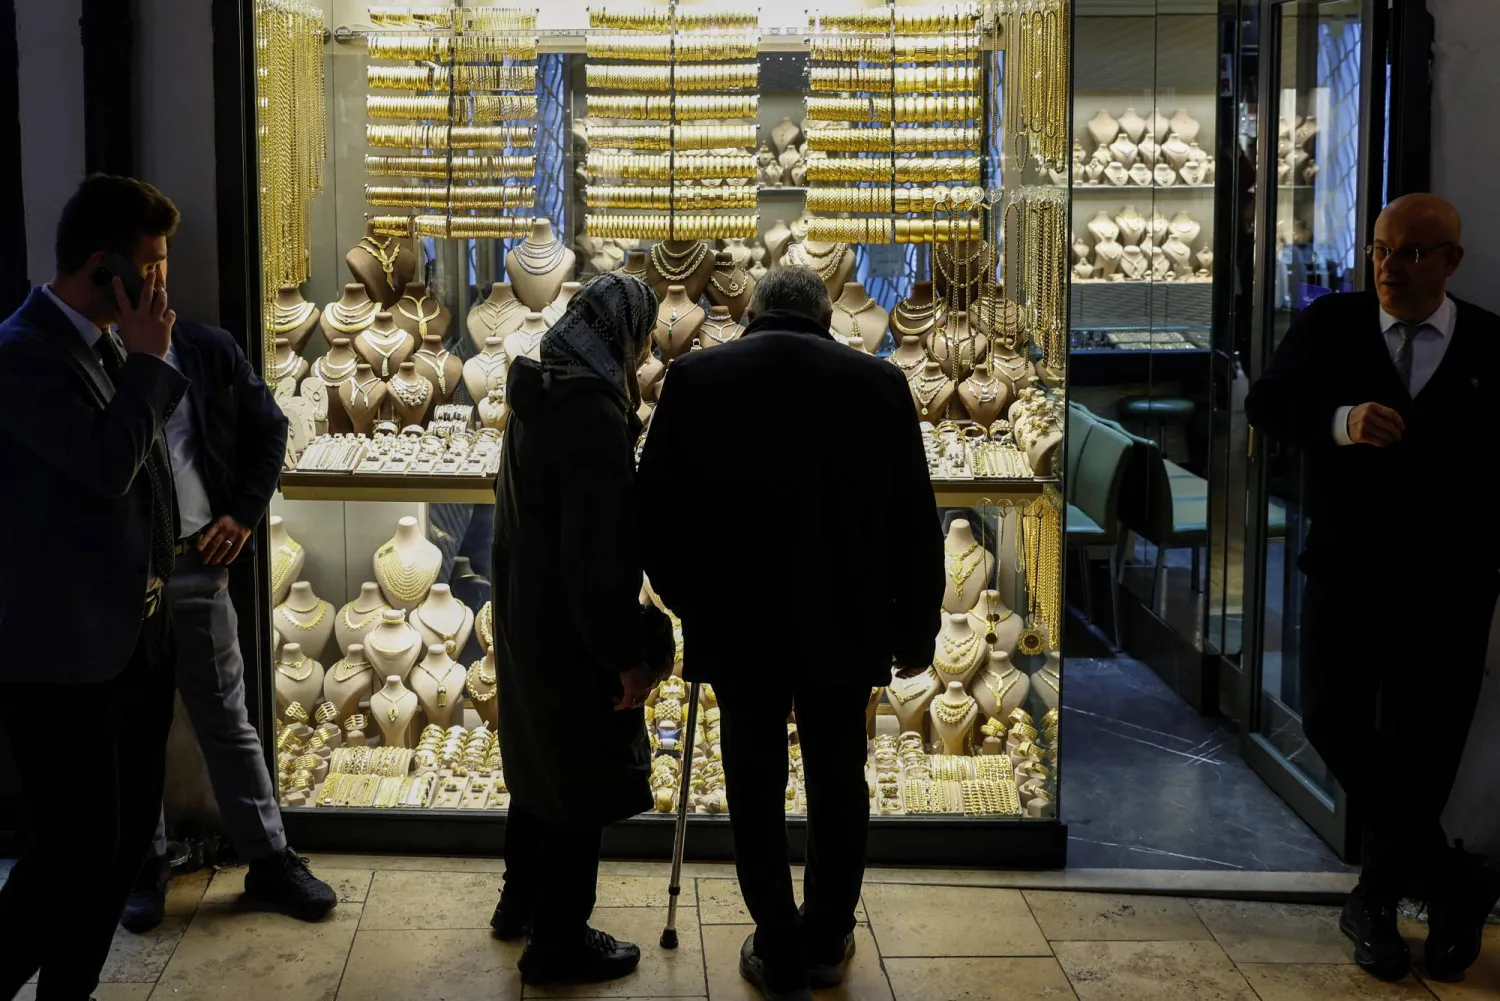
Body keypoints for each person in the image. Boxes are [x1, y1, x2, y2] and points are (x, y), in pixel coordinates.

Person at [638, 266, 944, 1001]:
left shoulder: (696, 379)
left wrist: (690, 601)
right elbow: (914, 518)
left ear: (755, 311)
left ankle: (775, 936)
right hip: (845, 617)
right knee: (839, 778)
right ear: (826, 312)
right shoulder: (876, 384)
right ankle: (828, 933)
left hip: (738, 619)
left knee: (752, 777)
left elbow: (655, 516)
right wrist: (917, 624)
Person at [1245, 193, 1500, 984]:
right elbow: (1268, 402)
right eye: (1382, 250)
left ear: (1450, 261)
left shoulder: (1491, 343)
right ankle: (1457, 882)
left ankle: (1378, 902)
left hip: (1451, 589)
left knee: (1425, 751)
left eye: (1413, 253)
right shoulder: (1334, 325)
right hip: (1349, 571)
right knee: (1332, 717)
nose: (1390, 267)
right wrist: (1343, 419)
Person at [0, 174, 187, 1000]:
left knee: (115, 851)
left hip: (134, 646)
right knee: (69, 854)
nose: (161, 283)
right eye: (151, 263)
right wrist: (148, 364)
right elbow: (109, 464)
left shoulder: (106, 342)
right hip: (61, 659)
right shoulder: (21, 355)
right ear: (104, 264)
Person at [119, 258, 336, 933]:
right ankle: (142, 866)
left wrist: (242, 513)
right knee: (134, 726)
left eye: (162, 262)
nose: (156, 280)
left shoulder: (208, 349)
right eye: (140, 266)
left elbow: (269, 429)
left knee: (229, 720)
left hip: (197, 565)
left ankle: (270, 857)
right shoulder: (93, 360)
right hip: (121, 580)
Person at [488, 272, 674, 986]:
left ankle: (520, 901)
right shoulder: (590, 415)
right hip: (569, 631)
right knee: (574, 776)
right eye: (641, 342)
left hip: (529, 616)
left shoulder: (540, 386)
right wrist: (633, 650)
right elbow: (598, 561)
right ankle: (560, 938)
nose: (641, 358)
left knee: (537, 766)